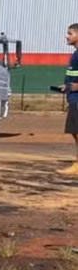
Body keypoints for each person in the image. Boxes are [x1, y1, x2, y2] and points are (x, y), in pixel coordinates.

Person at [58, 23, 78, 174]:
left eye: (70, 33)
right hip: (73, 98)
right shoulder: (75, 54)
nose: (67, 36)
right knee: (75, 131)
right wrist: (67, 86)